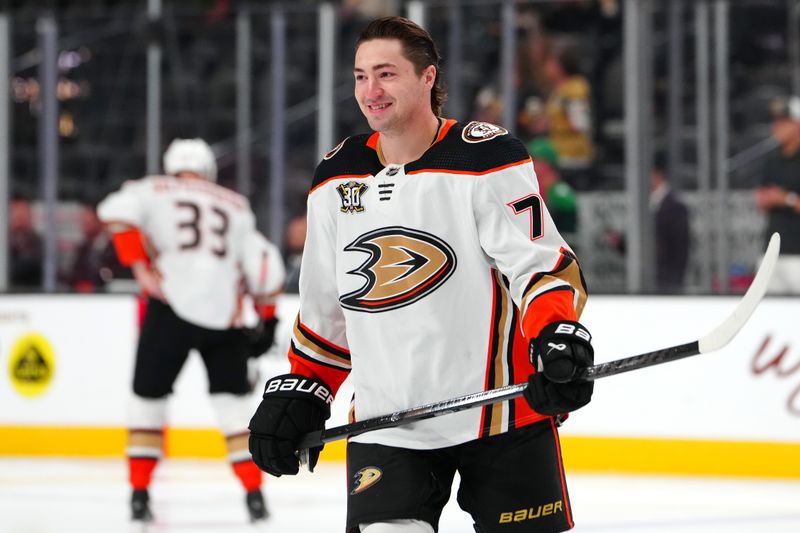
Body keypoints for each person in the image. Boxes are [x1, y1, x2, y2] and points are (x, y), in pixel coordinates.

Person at [249, 17, 593, 533]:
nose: (371, 90)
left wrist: (554, 336)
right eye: (361, 76)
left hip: (502, 415)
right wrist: (305, 386)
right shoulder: (335, 178)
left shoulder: (484, 157)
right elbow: (327, 308)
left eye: (386, 74)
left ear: (428, 78)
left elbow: (540, 267)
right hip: (389, 424)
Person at [97, 138, 286, 524]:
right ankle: (254, 496)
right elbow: (265, 265)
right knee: (233, 410)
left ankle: (139, 494)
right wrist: (267, 318)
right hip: (225, 318)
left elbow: (114, 213)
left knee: (147, 403)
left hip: (169, 308)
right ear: (208, 170)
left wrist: (138, 267)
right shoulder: (235, 205)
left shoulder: (149, 189)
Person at [755, 108, 800, 294]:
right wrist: (765, 200)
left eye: (784, 122)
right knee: (765, 310)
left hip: (798, 253)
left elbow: (787, 200)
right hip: (771, 253)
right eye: (775, 122)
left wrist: (786, 199)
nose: (777, 128)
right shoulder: (772, 162)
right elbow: (761, 202)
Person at [9, 198, 44, 291]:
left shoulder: (37, 242)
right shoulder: (5, 243)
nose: (19, 218)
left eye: (22, 214)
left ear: (30, 217)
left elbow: (35, 266)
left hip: (33, 291)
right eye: (16, 214)